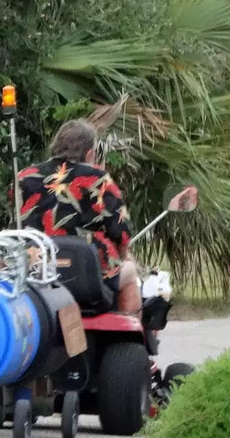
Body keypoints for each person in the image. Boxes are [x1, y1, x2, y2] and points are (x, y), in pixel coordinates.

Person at [16, 119, 139, 313]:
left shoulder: (24, 177)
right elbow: (121, 232)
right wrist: (125, 257)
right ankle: (127, 333)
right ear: (89, 153)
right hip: (89, 281)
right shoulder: (97, 179)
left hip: (37, 276)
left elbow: (16, 225)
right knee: (130, 271)